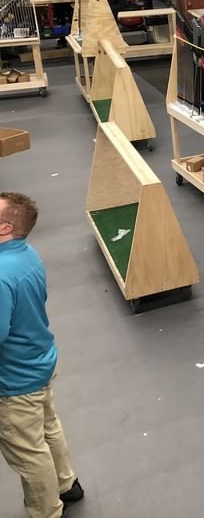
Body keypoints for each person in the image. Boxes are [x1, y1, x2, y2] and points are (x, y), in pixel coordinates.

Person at [0, 192, 83, 518]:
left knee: (28, 451)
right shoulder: (28, 255)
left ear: (5, 227)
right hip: (39, 362)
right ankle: (67, 484)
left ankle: (47, 511)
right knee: (48, 427)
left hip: (14, 380)